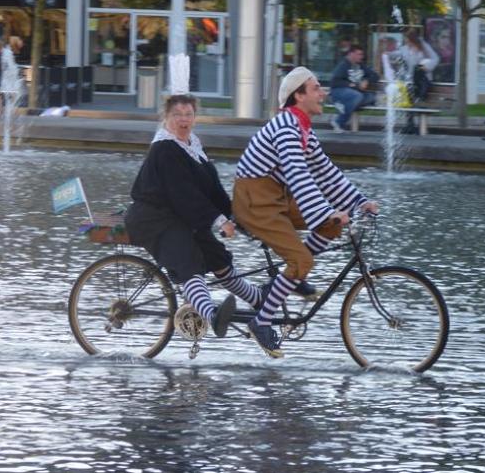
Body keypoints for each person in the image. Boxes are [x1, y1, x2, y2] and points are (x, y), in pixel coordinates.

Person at [233, 66, 379, 358]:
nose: (323, 93)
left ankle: (290, 279)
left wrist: (359, 202)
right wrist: (326, 212)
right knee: (301, 257)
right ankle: (260, 323)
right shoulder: (286, 128)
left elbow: (326, 173)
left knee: (331, 228)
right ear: (298, 96)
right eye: (315, 89)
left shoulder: (301, 128)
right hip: (254, 200)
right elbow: (299, 176)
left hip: (276, 197)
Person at [124, 94, 267, 338]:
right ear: (166, 118)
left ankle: (259, 300)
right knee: (189, 262)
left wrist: (239, 219)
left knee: (219, 259)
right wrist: (220, 221)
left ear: (195, 117)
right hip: (154, 218)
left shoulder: (193, 146)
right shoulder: (165, 149)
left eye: (188, 114)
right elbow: (185, 194)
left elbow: (212, 190)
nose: (183, 120)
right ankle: (212, 316)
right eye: (177, 115)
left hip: (182, 217)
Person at [392, 29, 439, 134]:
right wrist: (388, 53)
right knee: (408, 90)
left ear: (412, 39)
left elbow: (435, 59)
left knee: (417, 70)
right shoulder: (405, 49)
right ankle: (410, 124)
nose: (406, 42)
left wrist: (425, 66)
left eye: (407, 40)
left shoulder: (424, 47)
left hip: (423, 81)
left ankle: (411, 123)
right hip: (411, 82)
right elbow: (397, 54)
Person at [328, 45, 379, 132]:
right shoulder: (343, 65)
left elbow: (375, 76)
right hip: (339, 91)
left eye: (362, 54)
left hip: (356, 94)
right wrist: (352, 85)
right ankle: (338, 121)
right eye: (359, 54)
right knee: (357, 96)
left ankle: (343, 106)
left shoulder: (361, 65)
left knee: (371, 97)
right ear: (351, 54)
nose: (361, 57)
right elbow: (335, 82)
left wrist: (366, 81)